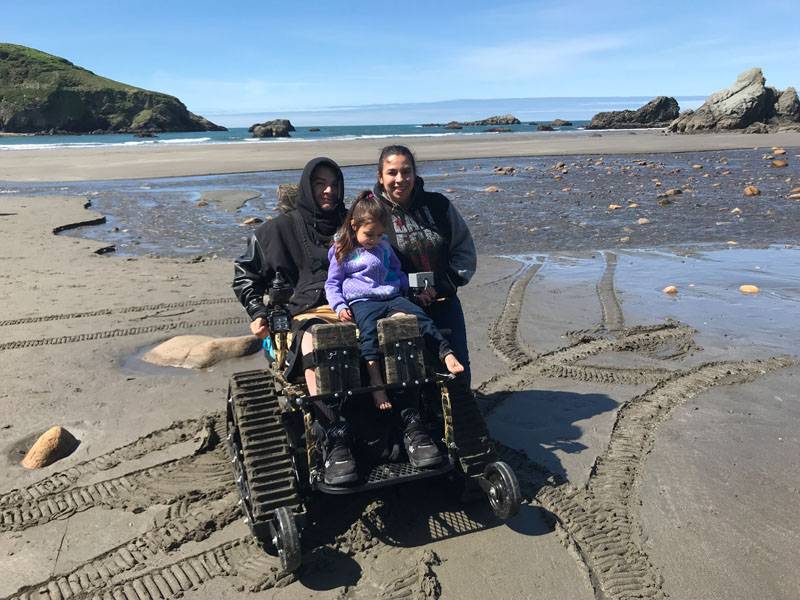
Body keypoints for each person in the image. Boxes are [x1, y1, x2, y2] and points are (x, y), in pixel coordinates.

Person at [233, 157, 359, 485]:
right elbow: (245, 275)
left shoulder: (353, 225)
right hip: (301, 314)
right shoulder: (277, 230)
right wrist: (258, 312)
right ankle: (333, 437)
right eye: (319, 183)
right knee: (320, 339)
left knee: (400, 330)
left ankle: (413, 425)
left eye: (333, 183)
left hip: (354, 306)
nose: (328, 190)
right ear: (307, 187)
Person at [325, 191, 464, 415]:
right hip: (363, 301)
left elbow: (397, 272)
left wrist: (410, 292)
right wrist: (340, 306)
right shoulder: (342, 250)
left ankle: (446, 354)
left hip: (391, 296)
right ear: (353, 225)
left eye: (380, 234)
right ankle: (377, 386)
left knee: (420, 319)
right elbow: (332, 284)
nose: (375, 240)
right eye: (369, 234)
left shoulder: (384, 246)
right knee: (369, 338)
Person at [372, 145, 476, 385]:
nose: (400, 179)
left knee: (457, 373)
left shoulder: (438, 205)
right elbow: (356, 260)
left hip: (443, 302)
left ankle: (461, 418)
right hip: (396, 309)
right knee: (405, 377)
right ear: (380, 176)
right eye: (392, 172)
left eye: (406, 171)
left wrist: (442, 285)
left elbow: (465, 252)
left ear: (414, 173)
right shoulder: (371, 213)